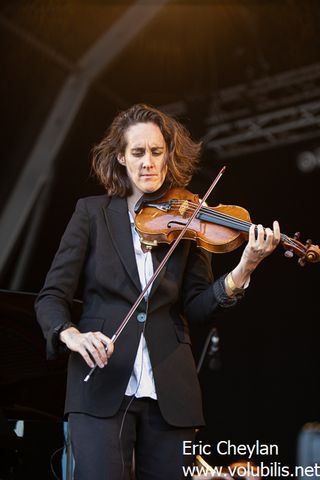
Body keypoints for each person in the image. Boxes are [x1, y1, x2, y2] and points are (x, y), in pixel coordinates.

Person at [35, 103, 280, 480]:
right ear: (121, 157)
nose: (147, 162)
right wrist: (71, 334)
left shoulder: (189, 217)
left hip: (170, 390)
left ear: (168, 155)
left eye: (156, 151)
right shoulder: (91, 213)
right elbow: (52, 296)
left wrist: (244, 267)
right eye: (137, 152)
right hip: (101, 386)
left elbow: (199, 308)